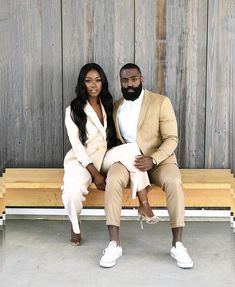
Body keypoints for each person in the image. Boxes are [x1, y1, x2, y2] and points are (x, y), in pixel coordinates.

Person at [100, 63, 193, 269]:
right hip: (129, 162)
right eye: (125, 80)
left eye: (134, 79)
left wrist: (154, 159)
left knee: (174, 180)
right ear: (121, 82)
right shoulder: (116, 107)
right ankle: (114, 243)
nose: (129, 84)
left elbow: (172, 138)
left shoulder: (160, 102)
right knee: (113, 179)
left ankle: (177, 243)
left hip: (158, 161)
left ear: (141, 79)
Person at [62, 63, 157, 246]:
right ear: (82, 83)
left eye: (98, 80)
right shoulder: (72, 110)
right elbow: (78, 147)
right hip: (82, 161)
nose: (93, 85)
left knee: (132, 149)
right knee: (72, 192)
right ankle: (75, 225)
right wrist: (96, 175)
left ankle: (144, 205)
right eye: (88, 81)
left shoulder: (108, 104)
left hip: (104, 156)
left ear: (103, 82)